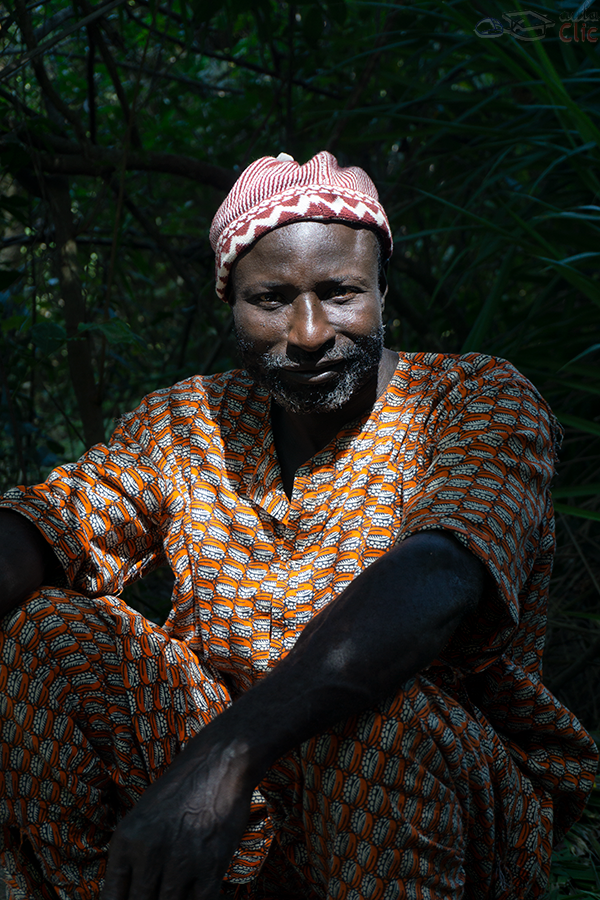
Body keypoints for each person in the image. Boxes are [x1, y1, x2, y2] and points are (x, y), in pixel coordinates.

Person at [0, 151, 596, 900]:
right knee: (44, 634)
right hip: (239, 800)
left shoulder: (473, 400)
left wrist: (225, 755)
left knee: (382, 717)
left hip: (418, 796)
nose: (310, 331)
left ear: (382, 289)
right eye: (272, 299)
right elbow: (61, 517)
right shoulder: (190, 420)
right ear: (231, 303)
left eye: (340, 292)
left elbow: (439, 575)